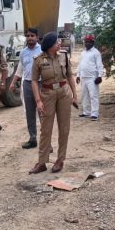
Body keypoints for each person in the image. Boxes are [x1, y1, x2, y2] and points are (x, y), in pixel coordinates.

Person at [28, 32, 78, 174]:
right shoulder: (38, 59)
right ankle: (42, 162)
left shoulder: (64, 56)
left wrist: (74, 95)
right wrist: (38, 100)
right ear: (50, 45)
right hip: (47, 94)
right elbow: (34, 80)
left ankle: (60, 160)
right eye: (57, 42)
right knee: (46, 129)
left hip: (64, 93)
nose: (59, 44)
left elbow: (69, 75)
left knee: (64, 128)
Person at [9, 28, 42, 149]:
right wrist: (13, 82)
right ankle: (32, 138)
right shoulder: (23, 52)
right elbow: (20, 69)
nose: (30, 38)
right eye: (28, 36)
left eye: (32, 36)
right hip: (27, 84)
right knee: (29, 112)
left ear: (37, 37)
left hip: (40, 84)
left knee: (43, 112)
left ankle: (46, 141)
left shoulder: (42, 51)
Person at [76, 34, 104, 120]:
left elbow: (99, 65)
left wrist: (100, 76)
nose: (87, 43)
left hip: (92, 78)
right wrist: (78, 75)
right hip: (83, 77)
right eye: (86, 42)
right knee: (84, 95)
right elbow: (80, 65)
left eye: (89, 42)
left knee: (93, 96)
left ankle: (95, 113)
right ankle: (86, 112)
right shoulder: (83, 52)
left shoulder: (96, 52)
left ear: (93, 42)